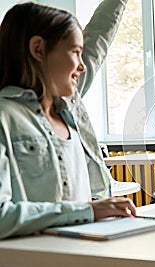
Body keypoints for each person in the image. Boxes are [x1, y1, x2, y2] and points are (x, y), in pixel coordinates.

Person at [0, 1, 136, 240]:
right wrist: (86, 211)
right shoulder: (5, 116)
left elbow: (99, 41)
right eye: (75, 52)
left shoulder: (69, 110)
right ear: (38, 49)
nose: (82, 66)